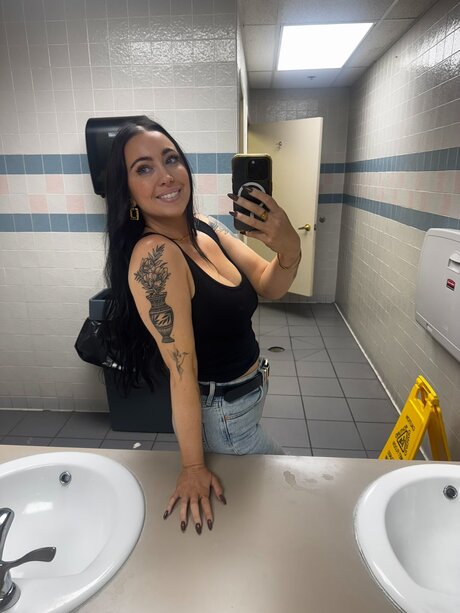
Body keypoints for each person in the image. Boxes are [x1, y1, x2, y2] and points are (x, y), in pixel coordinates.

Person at [104, 116, 301, 535]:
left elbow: (268, 283)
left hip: (247, 397)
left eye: (171, 159)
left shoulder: (205, 225)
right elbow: (182, 370)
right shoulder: (156, 257)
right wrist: (193, 467)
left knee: (258, 508)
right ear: (128, 191)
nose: (165, 175)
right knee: (285, 497)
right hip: (224, 417)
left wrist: (290, 250)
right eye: (144, 168)